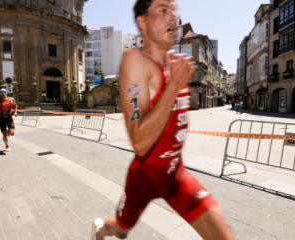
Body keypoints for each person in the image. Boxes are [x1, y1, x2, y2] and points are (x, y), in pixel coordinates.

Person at [90, 1, 235, 240]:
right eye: (163, 10)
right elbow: (139, 141)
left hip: (175, 173)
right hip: (145, 176)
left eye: (175, 11)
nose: (173, 18)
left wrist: (175, 82)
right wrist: (174, 86)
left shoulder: (176, 63)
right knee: (120, 229)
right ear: (142, 23)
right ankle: (99, 231)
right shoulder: (135, 61)